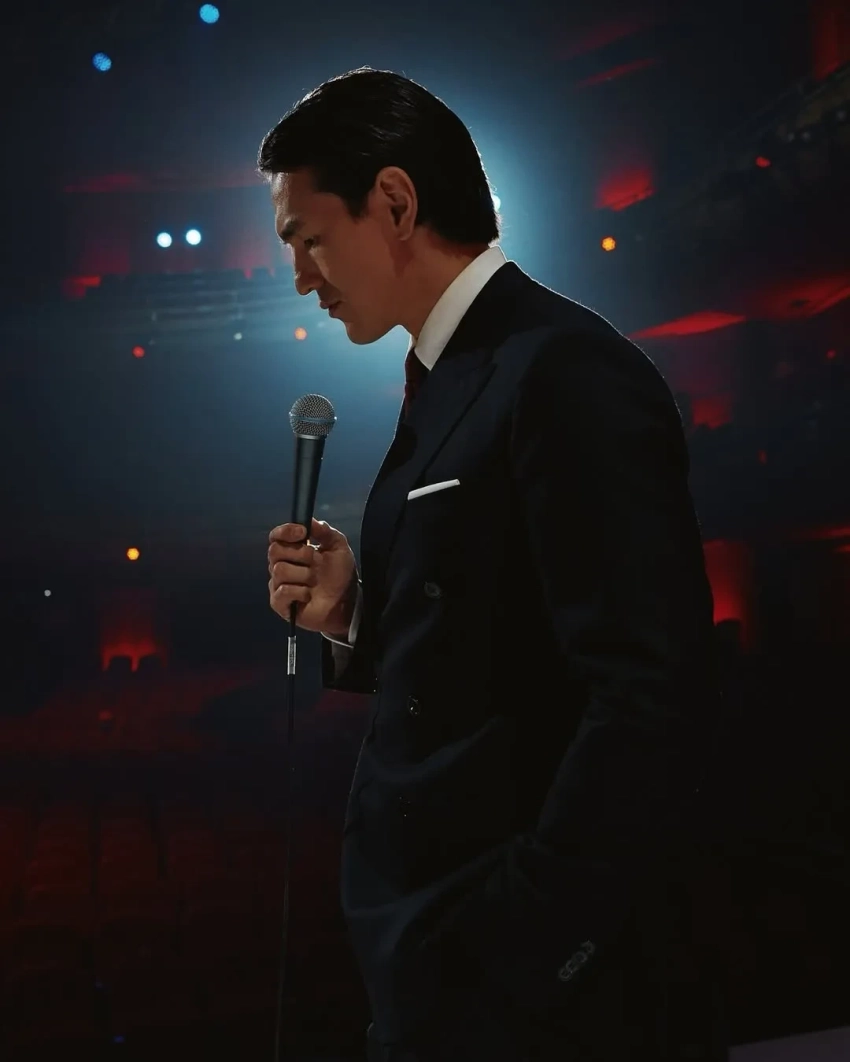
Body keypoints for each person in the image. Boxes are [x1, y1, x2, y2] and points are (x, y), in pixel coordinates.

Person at [261, 68, 730, 1062]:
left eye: (308, 238)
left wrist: (526, 949)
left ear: (394, 202)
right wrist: (353, 613)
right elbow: (493, 646)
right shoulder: (449, 377)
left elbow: (649, 691)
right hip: (442, 963)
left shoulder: (561, 367)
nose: (299, 274)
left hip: (539, 1001)